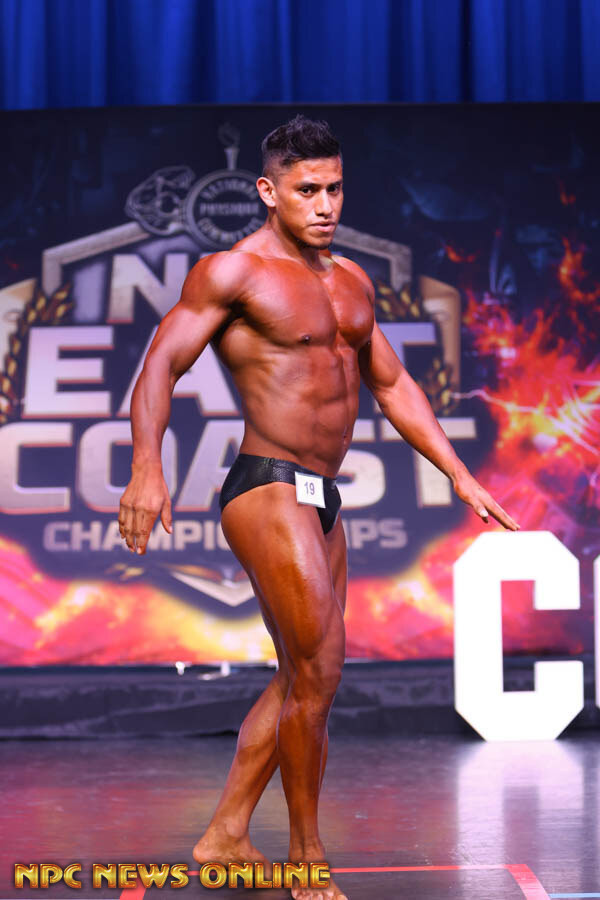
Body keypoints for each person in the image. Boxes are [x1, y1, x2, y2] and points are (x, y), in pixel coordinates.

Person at [118, 115, 519, 900]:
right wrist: (145, 468)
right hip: (266, 484)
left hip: (322, 495)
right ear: (268, 191)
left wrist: (459, 475)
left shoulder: (351, 281)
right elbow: (160, 364)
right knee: (320, 669)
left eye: (334, 188)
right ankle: (305, 856)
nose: (325, 204)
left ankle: (226, 835)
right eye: (307, 190)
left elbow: (393, 384)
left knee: (304, 676)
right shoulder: (233, 272)